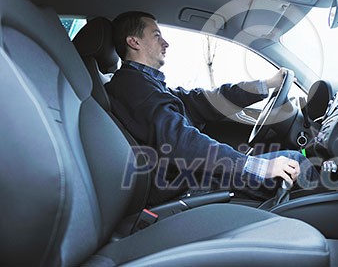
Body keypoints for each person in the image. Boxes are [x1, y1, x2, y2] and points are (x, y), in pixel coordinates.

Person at [106, 11, 314, 204]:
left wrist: (266, 85)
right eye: (156, 35)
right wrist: (256, 167)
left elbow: (202, 101)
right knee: (296, 162)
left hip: (184, 177)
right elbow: (181, 142)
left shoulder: (146, 83)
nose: (166, 43)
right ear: (134, 42)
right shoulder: (135, 87)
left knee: (288, 163)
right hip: (180, 186)